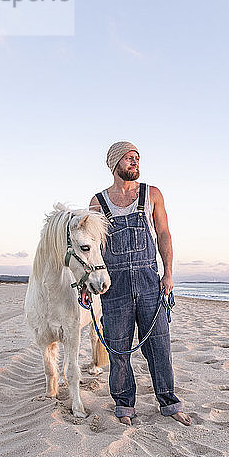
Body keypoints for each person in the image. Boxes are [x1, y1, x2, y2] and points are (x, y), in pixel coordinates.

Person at [86, 141, 191, 427]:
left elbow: (164, 234)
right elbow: (93, 247)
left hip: (149, 283)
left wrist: (168, 273)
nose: (135, 162)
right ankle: (124, 404)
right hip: (115, 287)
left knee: (159, 346)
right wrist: (87, 282)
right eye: (129, 158)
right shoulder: (98, 203)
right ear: (115, 163)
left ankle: (169, 403)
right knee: (119, 349)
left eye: (137, 158)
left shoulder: (151, 194)